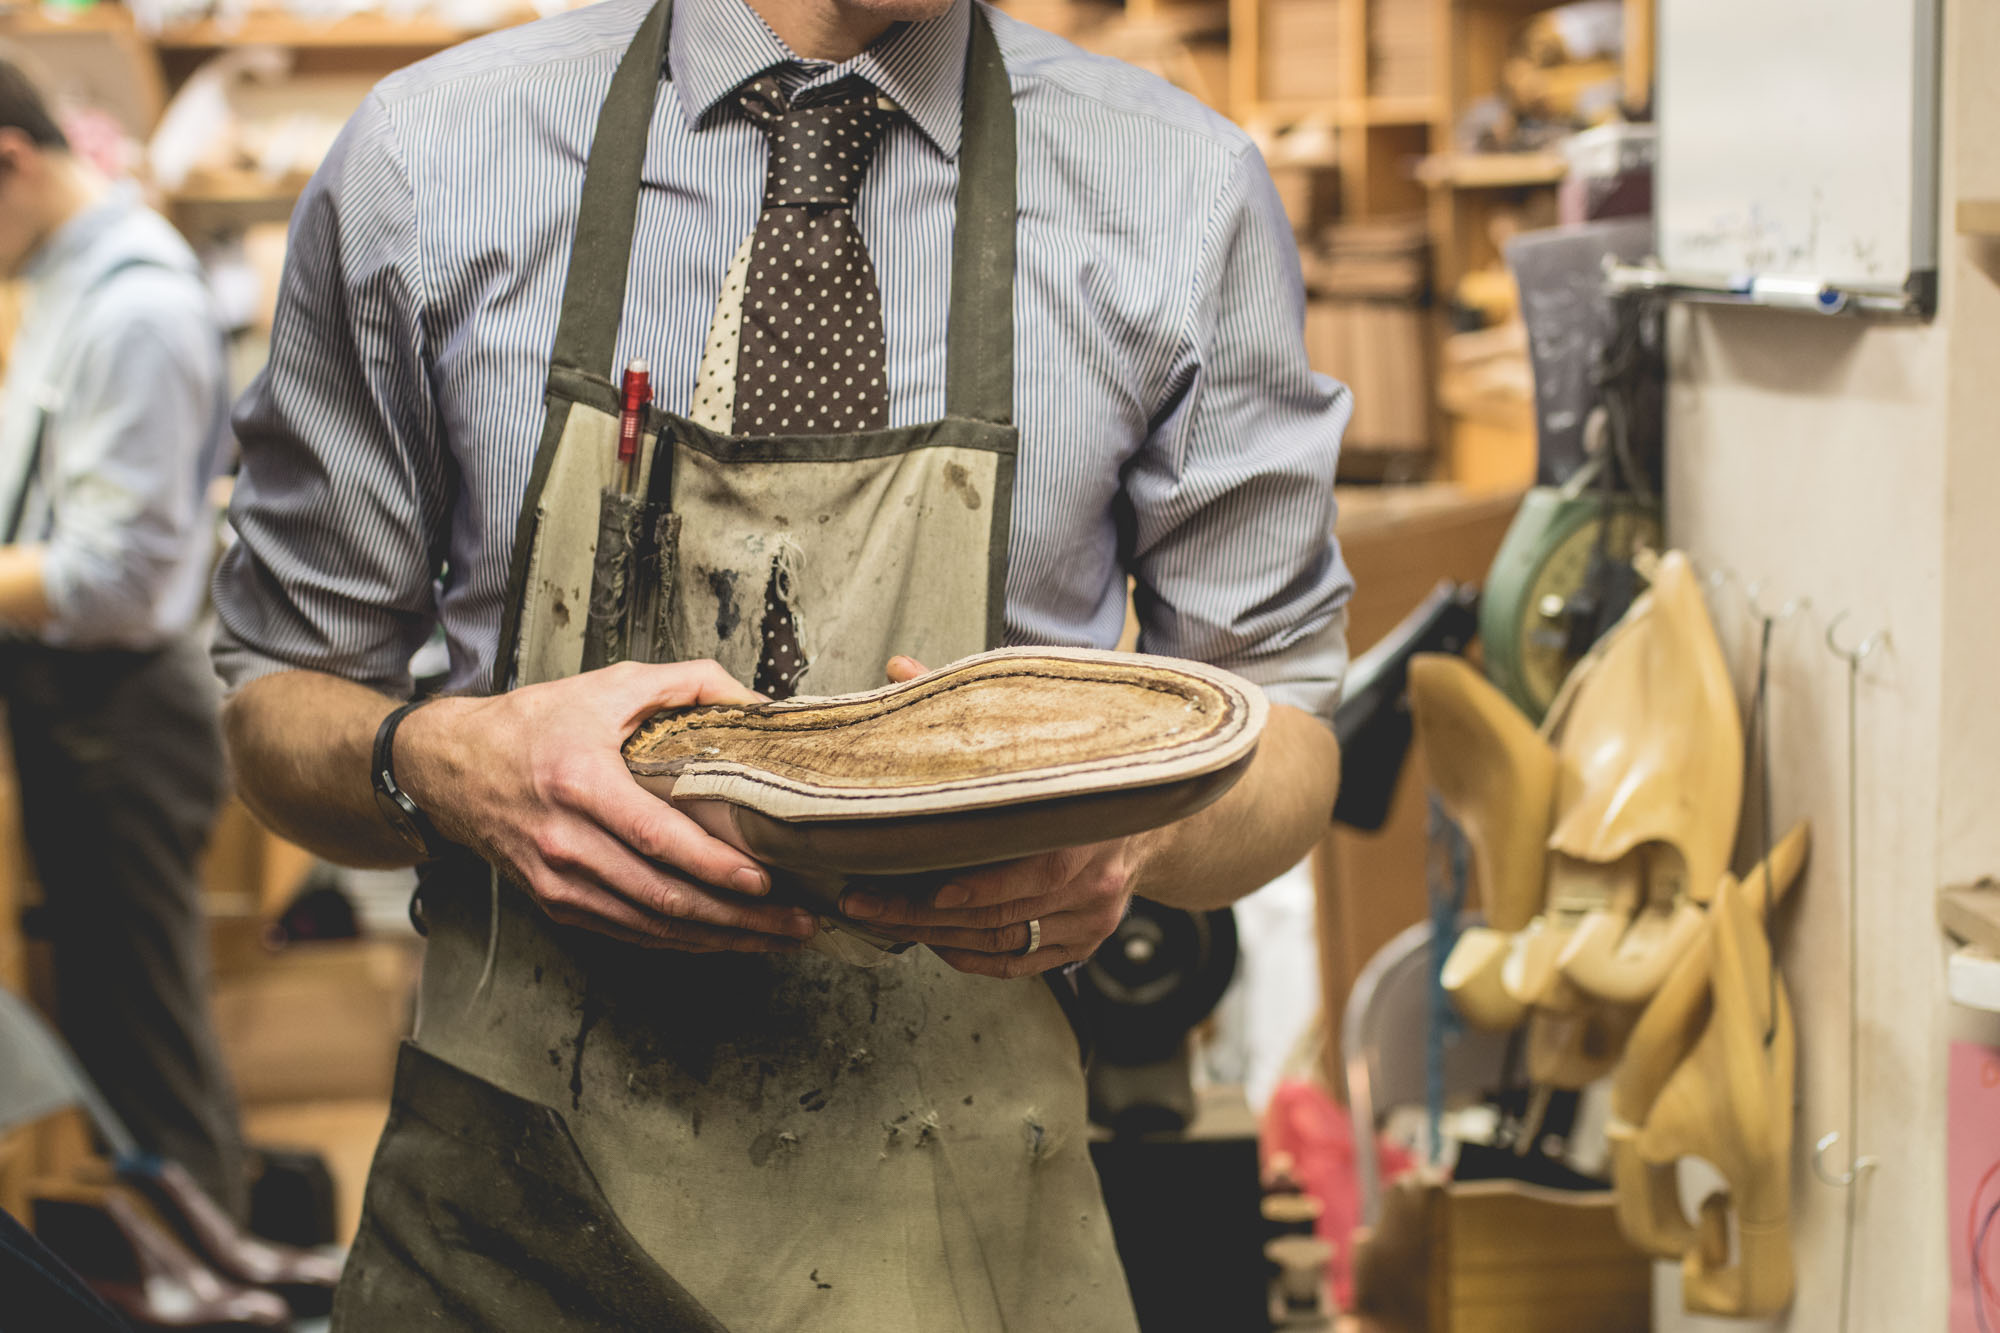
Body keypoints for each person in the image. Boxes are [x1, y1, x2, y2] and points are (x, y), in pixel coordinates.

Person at [213, 0, 1352, 1325]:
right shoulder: (429, 160)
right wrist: (454, 763)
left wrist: (1128, 842)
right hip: (512, 1223)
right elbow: (274, 707)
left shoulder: (1176, 191)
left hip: (956, 1231)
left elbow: (1289, 724)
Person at [0, 53, 244, 1216]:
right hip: (79, 710)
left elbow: (110, 577)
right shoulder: (62, 280)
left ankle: (215, 1281)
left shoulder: (135, 306)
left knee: (148, 1047)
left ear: (10, 159)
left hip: (124, 717)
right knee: (108, 1028)